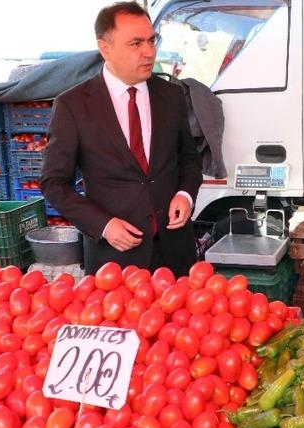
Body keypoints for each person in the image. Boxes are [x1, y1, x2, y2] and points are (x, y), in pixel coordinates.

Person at [41, 1, 202, 276]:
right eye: (136, 43)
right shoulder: (73, 105)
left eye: (151, 40)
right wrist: (103, 225)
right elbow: (54, 183)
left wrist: (185, 194)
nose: (149, 52)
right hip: (114, 261)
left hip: (176, 254)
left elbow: (189, 159)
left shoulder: (171, 95)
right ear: (105, 48)